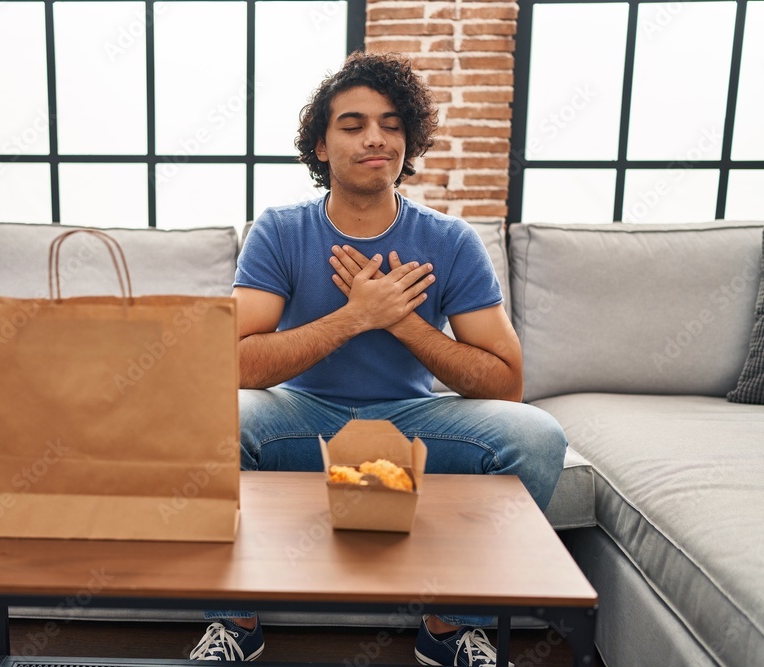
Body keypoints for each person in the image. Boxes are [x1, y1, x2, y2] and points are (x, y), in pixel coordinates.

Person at [187, 50, 567, 667]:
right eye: (354, 123)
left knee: (539, 437)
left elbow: (507, 383)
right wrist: (354, 317)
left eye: (392, 124)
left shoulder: (450, 241)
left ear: (408, 141)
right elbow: (225, 365)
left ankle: (449, 630)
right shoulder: (281, 232)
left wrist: (404, 323)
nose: (376, 139)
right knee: (213, 414)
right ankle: (235, 623)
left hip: (413, 421)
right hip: (301, 415)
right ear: (320, 146)